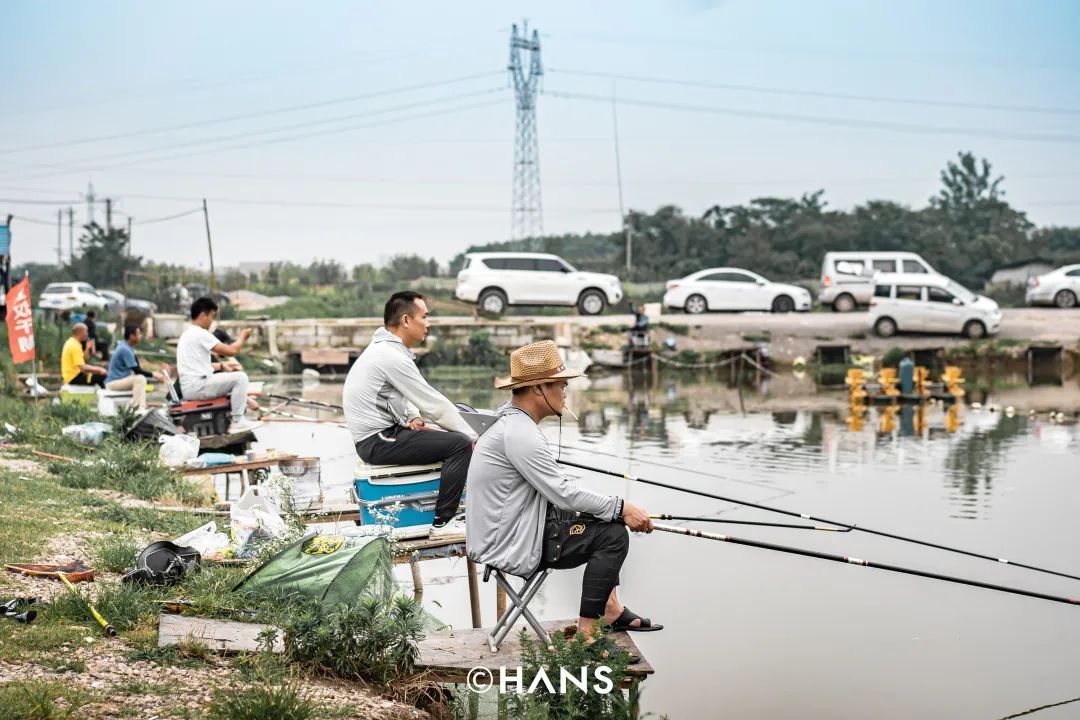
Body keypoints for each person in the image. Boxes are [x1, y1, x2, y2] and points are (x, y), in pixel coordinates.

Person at [465, 340, 663, 637]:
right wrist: (623, 507)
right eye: (560, 384)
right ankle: (588, 634)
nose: (565, 392)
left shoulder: (511, 420)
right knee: (613, 535)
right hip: (510, 541)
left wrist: (613, 509)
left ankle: (612, 609)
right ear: (538, 388)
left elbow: (560, 491)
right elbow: (563, 494)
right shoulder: (520, 433)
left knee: (604, 516)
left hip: (511, 528)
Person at [343, 291, 477, 539]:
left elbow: (404, 395)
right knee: (460, 445)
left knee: (457, 421)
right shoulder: (390, 355)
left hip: (383, 435)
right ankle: (443, 523)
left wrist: (412, 417)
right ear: (406, 320)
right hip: (377, 440)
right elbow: (432, 404)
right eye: (424, 317)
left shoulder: (386, 350)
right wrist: (475, 436)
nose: (428, 323)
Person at [176, 297, 257, 432]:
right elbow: (231, 351)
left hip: (191, 386)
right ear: (203, 315)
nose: (212, 321)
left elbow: (195, 366)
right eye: (212, 317)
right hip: (198, 387)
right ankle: (237, 421)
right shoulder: (200, 333)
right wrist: (243, 337)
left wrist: (222, 366)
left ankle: (233, 419)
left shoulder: (187, 334)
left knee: (234, 379)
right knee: (241, 378)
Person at [105, 325, 163, 411]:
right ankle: (137, 409)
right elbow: (137, 370)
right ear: (132, 336)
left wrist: (154, 375)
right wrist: (154, 374)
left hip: (119, 381)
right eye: (138, 333)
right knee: (140, 379)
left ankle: (141, 406)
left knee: (140, 379)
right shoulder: (125, 349)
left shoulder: (127, 347)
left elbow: (137, 368)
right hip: (113, 383)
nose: (140, 336)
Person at [61, 323, 107, 387]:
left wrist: (87, 348)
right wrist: (100, 369)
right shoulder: (74, 346)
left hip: (75, 375)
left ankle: (102, 393)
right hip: (74, 378)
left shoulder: (73, 342)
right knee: (102, 375)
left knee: (98, 375)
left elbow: (84, 360)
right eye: (86, 331)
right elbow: (83, 367)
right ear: (81, 332)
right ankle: (103, 394)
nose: (87, 334)